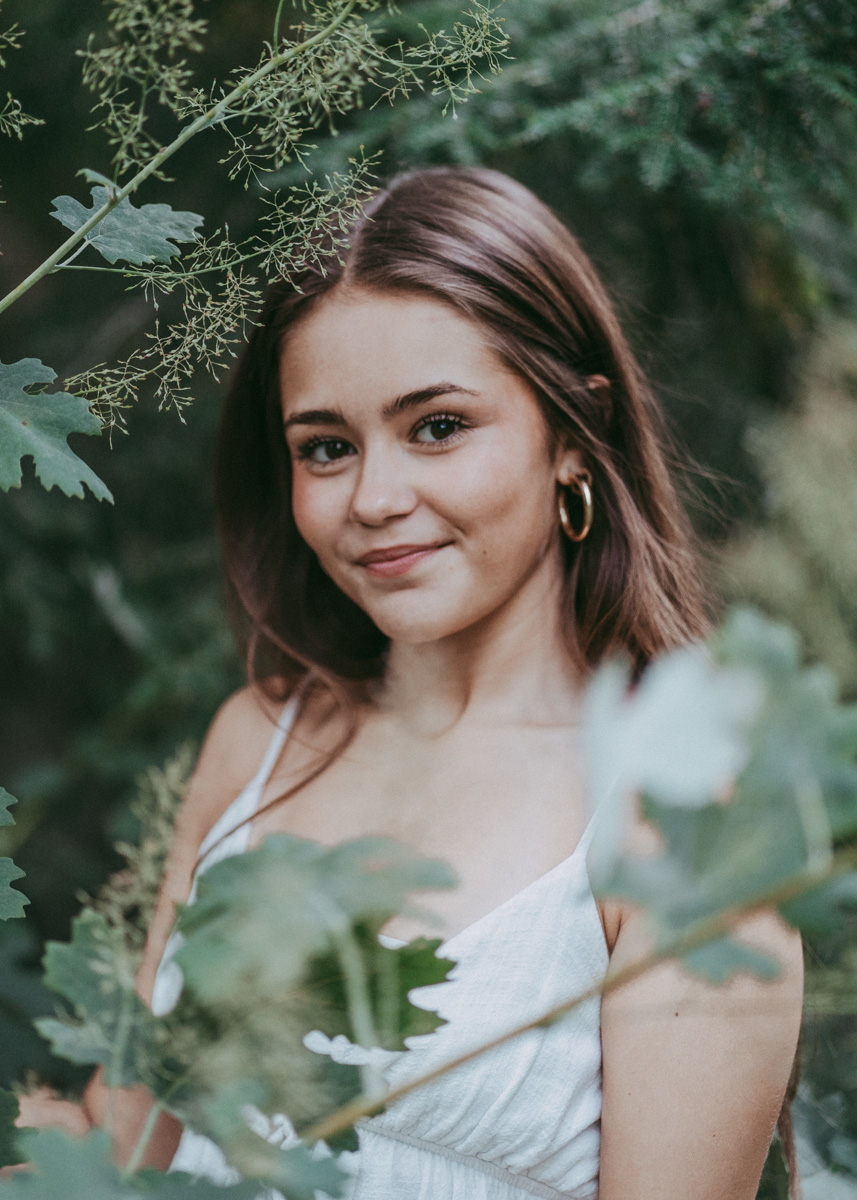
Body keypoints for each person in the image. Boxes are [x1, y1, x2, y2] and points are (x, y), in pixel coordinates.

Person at [16, 166, 804, 1198]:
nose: (374, 498)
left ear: (573, 436)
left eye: (437, 426)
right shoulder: (259, 741)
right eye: (326, 447)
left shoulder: (690, 824)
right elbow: (114, 1152)